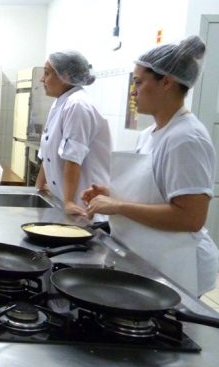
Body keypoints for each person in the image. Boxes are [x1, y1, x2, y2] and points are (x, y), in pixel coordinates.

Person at [82, 36, 218, 297]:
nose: (133, 91)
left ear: (166, 82)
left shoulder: (186, 138)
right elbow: (157, 193)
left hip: (177, 266)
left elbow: (190, 217)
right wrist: (109, 194)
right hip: (150, 259)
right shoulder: (152, 133)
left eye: (139, 82)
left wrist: (118, 206)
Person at [35, 50, 111, 216]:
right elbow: (47, 153)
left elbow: (73, 157)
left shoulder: (77, 105)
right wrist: (39, 187)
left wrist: (69, 201)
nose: (42, 79)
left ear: (66, 76)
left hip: (82, 207)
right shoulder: (60, 103)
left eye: (47, 73)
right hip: (64, 201)